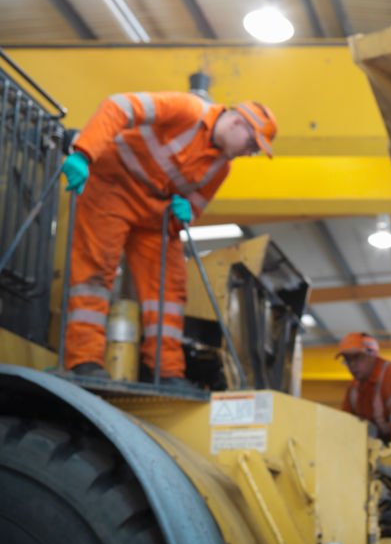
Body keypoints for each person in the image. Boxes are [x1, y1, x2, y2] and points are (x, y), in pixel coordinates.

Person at [60, 92, 276, 389]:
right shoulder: (187, 110)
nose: (248, 153)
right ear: (238, 123)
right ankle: (84, 360)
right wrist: (84, 153)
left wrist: (185, 213)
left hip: (154, 217)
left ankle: (167, 372)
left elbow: (192, 208)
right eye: (251, 145)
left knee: (169, 292)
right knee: (94, 274)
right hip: (110, 188)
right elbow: (119, 107)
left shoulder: (221, 167)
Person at [336, 331, 391, 453]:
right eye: (347, 360)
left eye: (357, 358)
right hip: (383, 451)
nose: (352, 365)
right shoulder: (354, 389)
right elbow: (346, 427)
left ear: (372, 355)